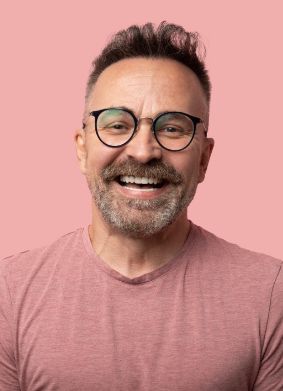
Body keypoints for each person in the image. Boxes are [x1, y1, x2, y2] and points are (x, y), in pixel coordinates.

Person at [0, 22, 282, 391]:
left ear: (204, 159)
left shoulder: (270, 293)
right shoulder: (10, 291)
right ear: (82, 148)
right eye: (117, 125)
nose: (143, 150)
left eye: (172, 128)